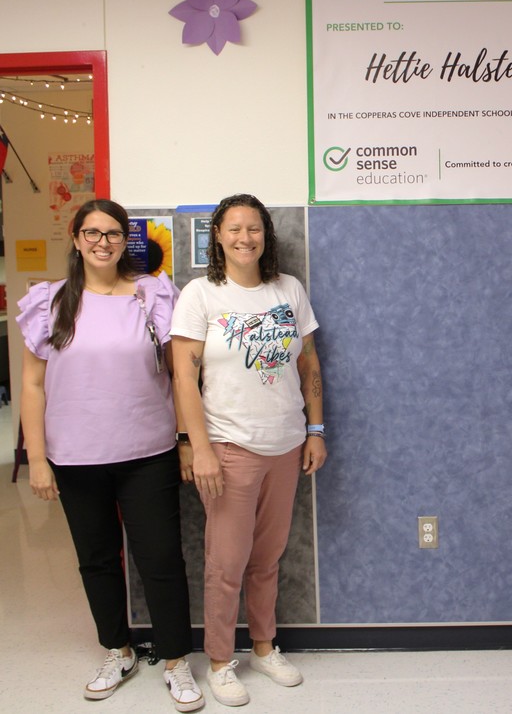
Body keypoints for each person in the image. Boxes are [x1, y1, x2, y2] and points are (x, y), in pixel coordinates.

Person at [17, 199, 203, 712]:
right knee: (96, 559)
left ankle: (174, 660)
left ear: (126, 241)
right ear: (76, 239)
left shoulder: (152, 294)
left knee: (162, 558)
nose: (103, 242)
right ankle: (117, 650)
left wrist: (187, 440)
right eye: (92, 233)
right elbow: (32, 386)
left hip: (148, 452)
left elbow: (182, 376)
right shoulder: (49, 302)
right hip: (75, 456)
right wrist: (36, 459)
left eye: (113, 233)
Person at [170, 193, 326, 707]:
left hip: (285, 445)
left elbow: (308, 362)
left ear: (265, 235)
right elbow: (184, 379)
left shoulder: (288, 290)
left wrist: (316, 429)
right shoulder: (201, 295)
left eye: (254, 228)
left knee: (267, 557)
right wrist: (198, 447)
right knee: (225, 562)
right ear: (217, 235)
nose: (244, 238)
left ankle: (263, 645)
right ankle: (219, 660)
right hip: (230, 448)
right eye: (234, 228)